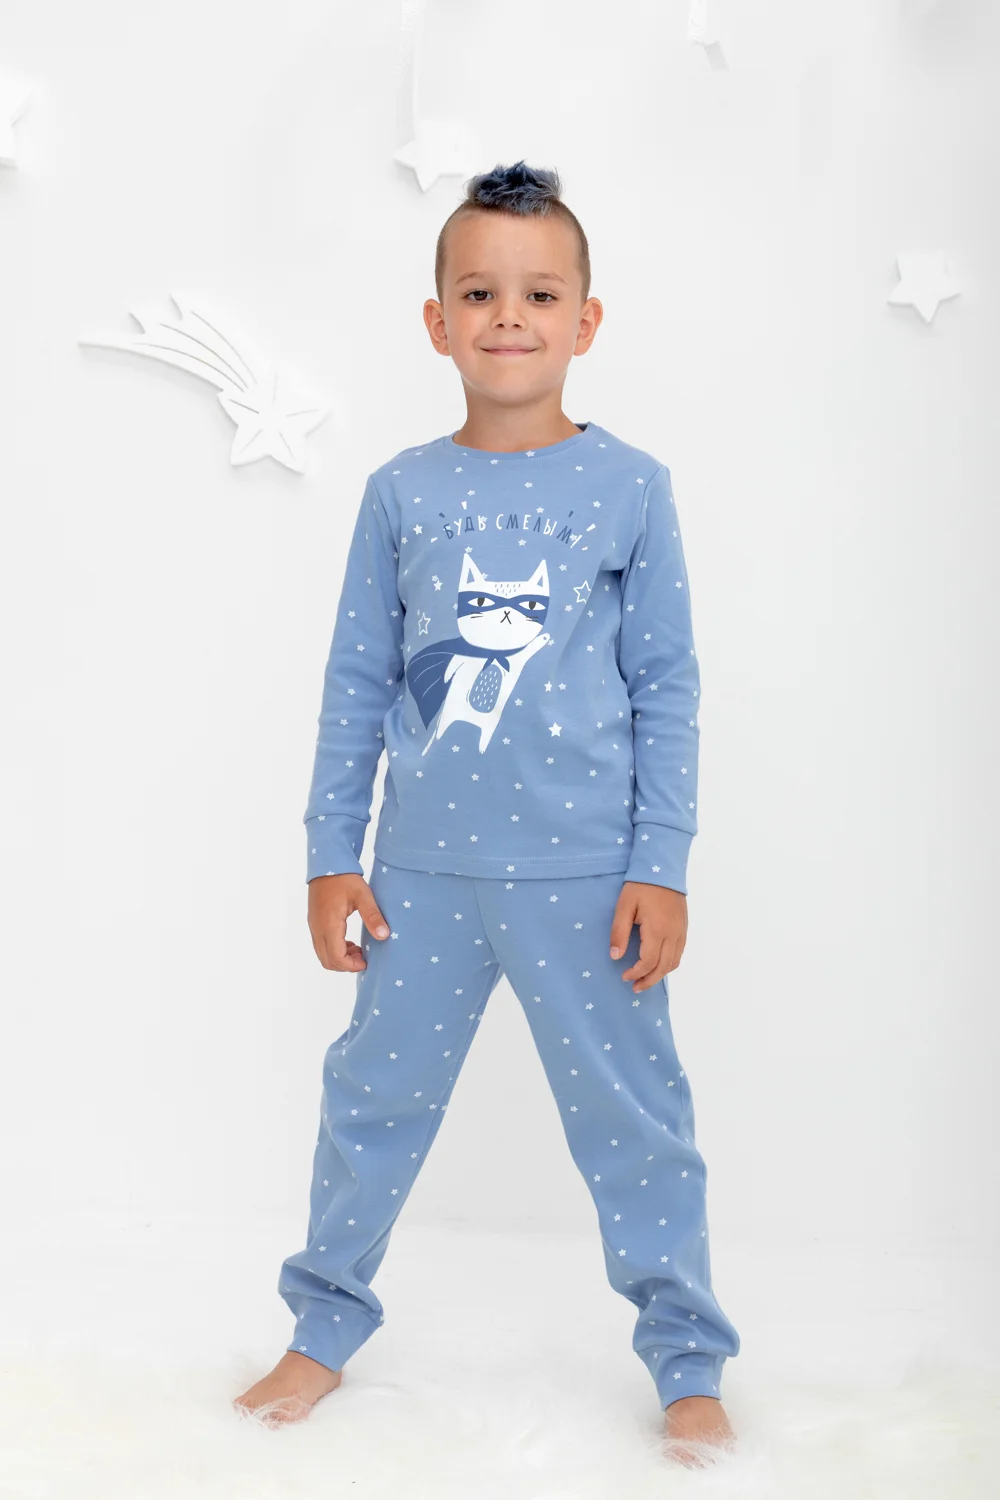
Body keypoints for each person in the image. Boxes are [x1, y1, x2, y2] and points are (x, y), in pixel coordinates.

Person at [234, 160, 740, 1466]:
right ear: (437, 321)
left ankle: (687, 1356)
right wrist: (330, 854)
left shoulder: (632, 488)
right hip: (422, 875)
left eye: (539, 293)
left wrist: (662, 862)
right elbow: (356, 682)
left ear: (586, 320)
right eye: (478, 292)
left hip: (588, 877)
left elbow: (667, 685)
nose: (508, 315)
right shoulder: (400, 492)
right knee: (369, 1104)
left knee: (637, 1123)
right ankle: (323, 1325)